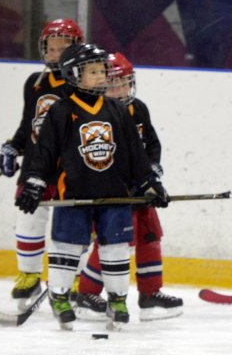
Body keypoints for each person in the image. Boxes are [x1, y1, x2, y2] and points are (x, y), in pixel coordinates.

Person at [15, 42, 167, 330]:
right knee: (67, 247)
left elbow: (135, 153)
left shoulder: (118, 110)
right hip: (73, 194)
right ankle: (59, 296)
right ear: (74, 74)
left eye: (102, 71)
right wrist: (34, 181)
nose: (101, 77)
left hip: (115, 195)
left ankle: (118, 299)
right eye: (93, 72)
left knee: (116, 248)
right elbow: (44, 152)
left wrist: (150, 181)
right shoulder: (61, 111)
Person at [72, 53, 184, 322]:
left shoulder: (138, 108)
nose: (120, 90)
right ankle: (86, 293)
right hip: (115, 190)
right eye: (113, 84)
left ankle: (150, 294)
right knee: (112, 240)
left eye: (124, 83)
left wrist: (153, 171)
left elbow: (152, 144)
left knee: (149, 236)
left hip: (142, 187)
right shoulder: (96, 114)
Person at [0, 17, 80, 325]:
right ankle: (29, 276)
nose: (55, 54)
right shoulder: (34, 82)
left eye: (62, 49)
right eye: (51, 48)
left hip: (70, 167)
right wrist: (13, 146)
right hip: (35, 166)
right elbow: (27, 124)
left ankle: (76, 280)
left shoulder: (81, 82)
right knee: (28, 219)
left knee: (73, 229)